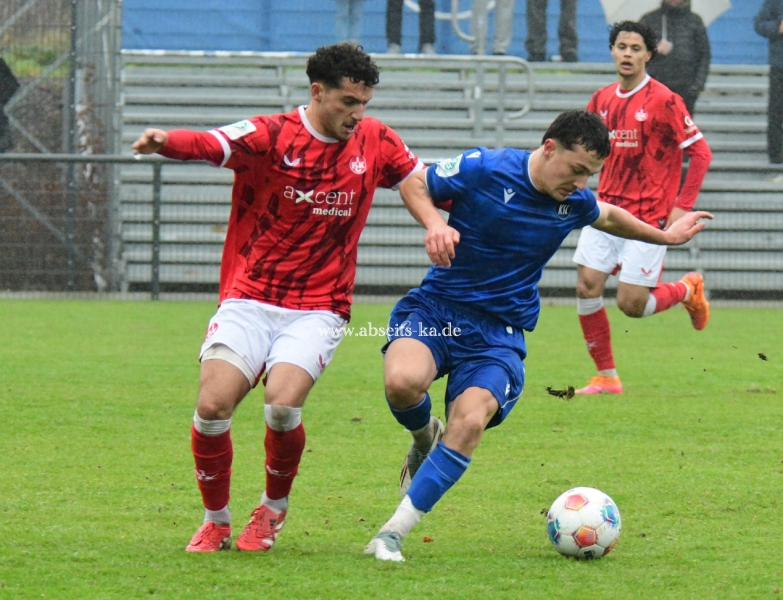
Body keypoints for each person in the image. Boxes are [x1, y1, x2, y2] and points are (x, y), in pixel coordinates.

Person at [363, 109, 712, 562]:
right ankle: (424, 436)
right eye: (576, 169)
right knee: (402, 383)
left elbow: (608, 215)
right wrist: (435, 223)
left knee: (469, 423)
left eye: (590, 175)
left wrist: (665, 238)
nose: (580, 184)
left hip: (499, 333)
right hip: (437, 308)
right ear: (550, 149)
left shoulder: (574, 200)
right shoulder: (485, 167)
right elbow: (415, 182)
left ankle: (391, 533)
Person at [132, 43, 424, 553]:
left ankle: (272, 509)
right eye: (348, 102)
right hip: (249, 296)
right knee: (211, 407)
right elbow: (210, 143)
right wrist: (165, 142)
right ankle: (216, 520)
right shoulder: (271, 135)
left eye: (364, 103)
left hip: (319, 305)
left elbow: (424, 181)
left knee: (283, 405)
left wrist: (454, 213)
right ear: (317, 92)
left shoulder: (375, 139)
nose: (358, 114)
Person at [573, 21, 713, 396]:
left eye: (636, 48)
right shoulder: (600, 100)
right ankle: (606, 376)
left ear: (648, 55)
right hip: (604, 212)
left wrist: (682, 205)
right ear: (612, 51)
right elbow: (583, 152)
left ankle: (687, 289)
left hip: (648, 216)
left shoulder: (665, 100)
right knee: (587, 286)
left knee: (631, 305)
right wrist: (577, 188)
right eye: (622, 46)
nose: (627, 54)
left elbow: (701, 153)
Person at [640, 0, 711, 117]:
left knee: (682, 127)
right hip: (657, 88)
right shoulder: (650, 20)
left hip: (686, 90)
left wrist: (696, 87)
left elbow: (704, 55)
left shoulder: (694, 21)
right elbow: (637, 53)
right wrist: (655, 49)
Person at [754, 0, 783, 165]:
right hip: (780, 65)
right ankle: (776, 153)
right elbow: (759, 24)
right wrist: (778, 27)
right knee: (776, 110)